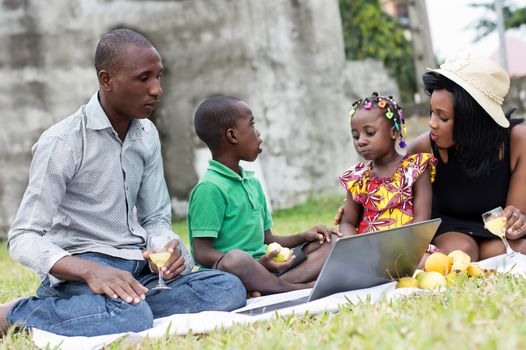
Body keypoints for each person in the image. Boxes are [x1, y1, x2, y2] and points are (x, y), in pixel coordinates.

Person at [1, 29, 246, 337]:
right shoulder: (62, 142)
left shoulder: (146, 135)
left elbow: (155, 219)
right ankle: (15, 314)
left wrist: (166, 252)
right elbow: (23, 237)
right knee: (127, 317)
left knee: (227, 288)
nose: (156, 89)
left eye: (159, 77)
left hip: (137, 267)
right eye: (144, 79)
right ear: (107, 80)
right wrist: (91, 271)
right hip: (81, 270)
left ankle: (112, 308)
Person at [188, 96, 343, 296]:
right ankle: (293, 287)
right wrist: (255, 265)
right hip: (234, 273)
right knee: (237, 259)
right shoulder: (210, 188)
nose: (258, 133)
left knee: (329, 244)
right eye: (252, 125)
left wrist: (303, 236)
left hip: (267, 266)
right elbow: (202, 253)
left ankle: (264, 286)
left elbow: (267, 238)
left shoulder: (251, 182)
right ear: (232, 135)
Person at [407, 53, 526, 260]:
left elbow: (512, 221)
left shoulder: (517, 141)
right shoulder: (422, 148)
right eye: (431, 112)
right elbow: (389, 188)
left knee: (518, 249)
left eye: (443, 117)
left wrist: (517, 219)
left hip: (495, 235)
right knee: (461, 252)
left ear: (472, 120)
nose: (432, 123)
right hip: (451, 231)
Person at [339, 92, 436, 237]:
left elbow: (422, 220)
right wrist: (355, 244)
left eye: (370, 133)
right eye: (356, 136)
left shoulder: (415, 169)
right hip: (369, 250)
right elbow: (347, 222)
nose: (361, 141)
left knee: (428, 260)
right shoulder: (358, 178)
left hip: (410, 247)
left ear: (394, 132)